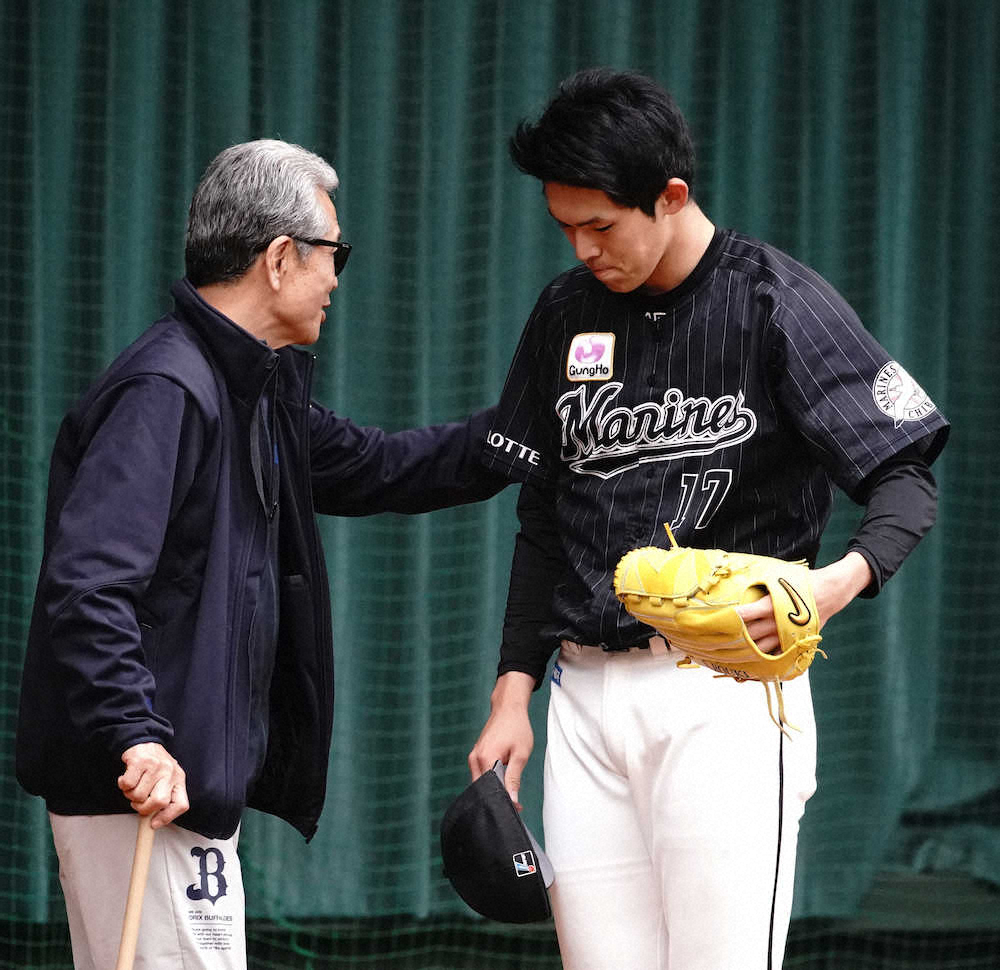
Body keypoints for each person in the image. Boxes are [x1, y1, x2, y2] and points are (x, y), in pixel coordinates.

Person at [468, 69, 949, 970]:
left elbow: (905, 477)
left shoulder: (776, 300)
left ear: (671, 196)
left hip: (722, 694)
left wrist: (833, 584)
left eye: (601, 225)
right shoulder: (566, 313)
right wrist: (513, 693)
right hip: (581, 699)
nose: (581, 248)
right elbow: (544, 515)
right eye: (564, 225)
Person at [17, 139, 506, 970]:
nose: (337, 279)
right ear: (280, 257)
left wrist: (530, 433)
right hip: (145, 791)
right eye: (333, 254)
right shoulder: (167, 388)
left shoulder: (256, 387)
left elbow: (383, 464)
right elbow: (89, 584)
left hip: (186, 791)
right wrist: (137, 736)